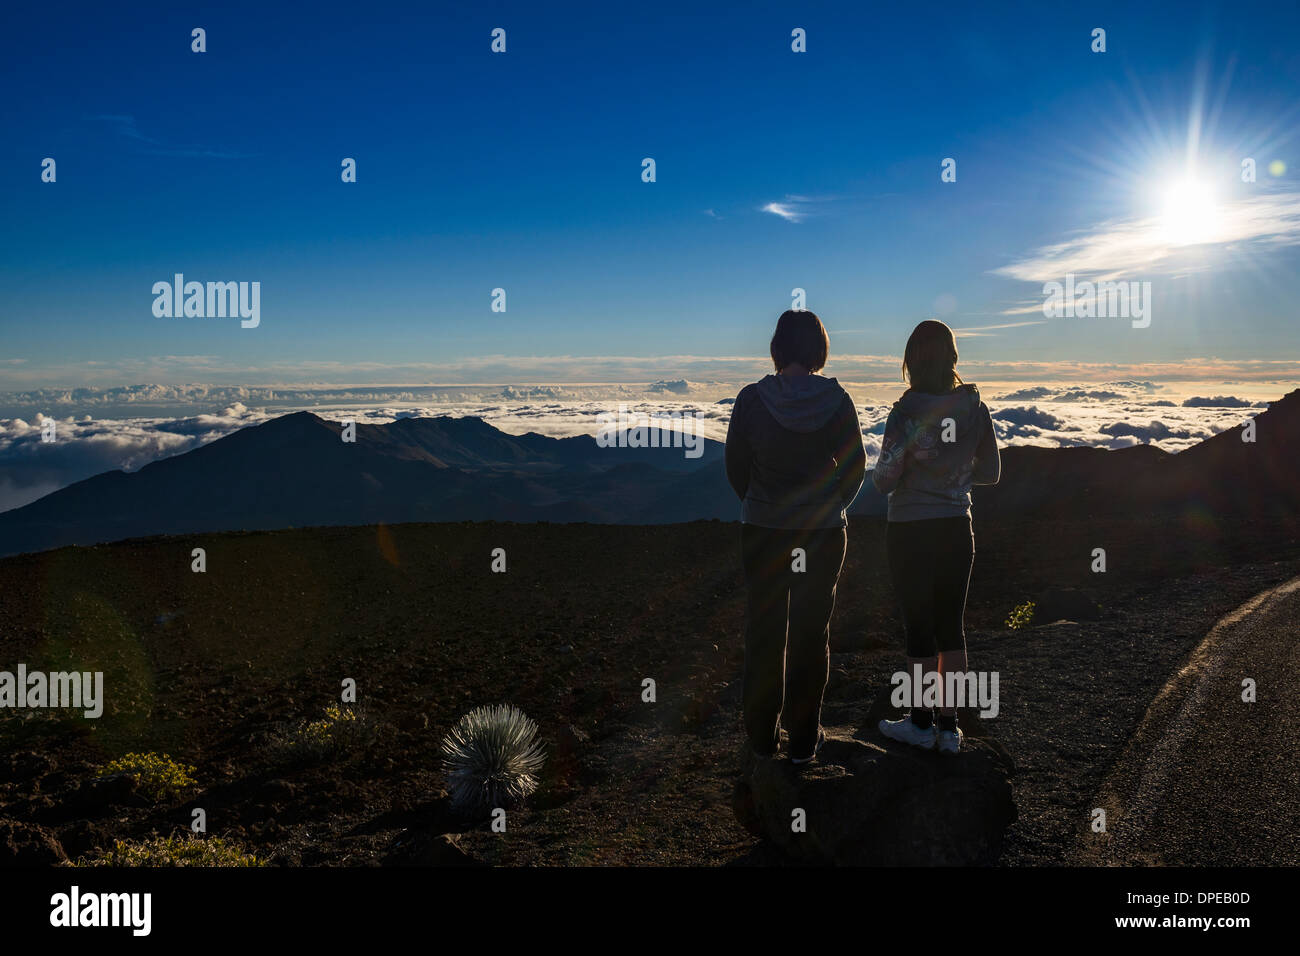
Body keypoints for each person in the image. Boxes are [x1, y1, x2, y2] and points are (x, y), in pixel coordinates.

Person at [725, 310, 866, 764]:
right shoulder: (837, 401)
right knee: (810, 633)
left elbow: (736, 467)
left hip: (763, 532)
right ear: (818, 348)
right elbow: (856, 466)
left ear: (778, 347)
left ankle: (762, 740)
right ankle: (804, 739)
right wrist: (831, 508)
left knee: (764, 631)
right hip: (822, 535)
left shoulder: (751, 400)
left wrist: (760, 504)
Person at [871, 319, 1000, 755]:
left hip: (910, 530)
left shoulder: (905, 413)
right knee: (952, 628)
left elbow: (884, 480)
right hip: (955, 527)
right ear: (952, 358)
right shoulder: (974, 408)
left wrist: (912, 459)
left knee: (919, 629)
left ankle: (920, 723)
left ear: (911, 362)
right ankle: (950, 729)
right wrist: (956, 474)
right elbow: (992, 473)